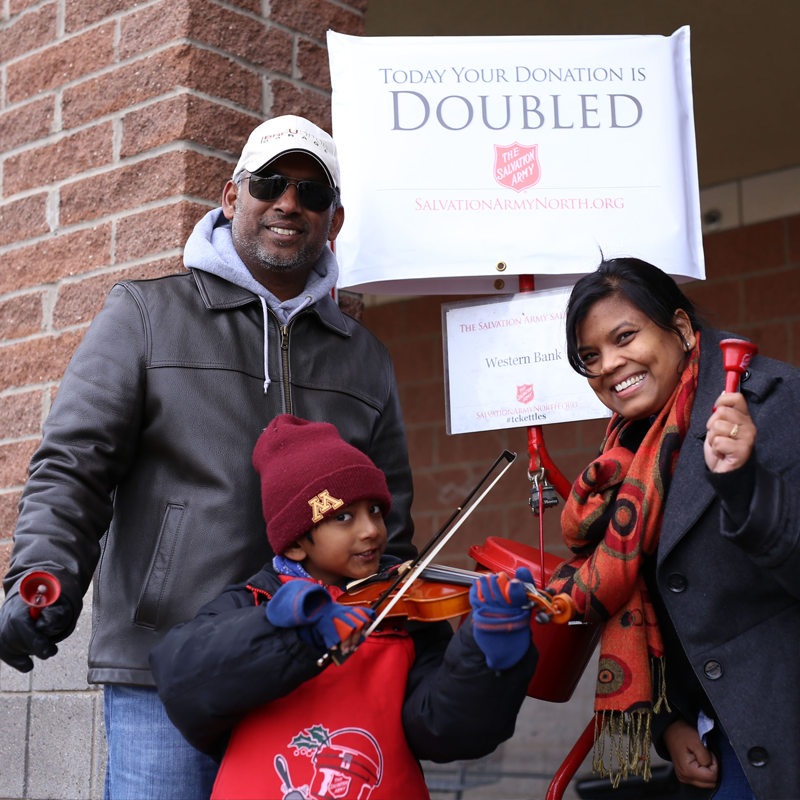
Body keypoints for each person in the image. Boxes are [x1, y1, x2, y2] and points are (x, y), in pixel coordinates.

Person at [0, 115, 416, 799]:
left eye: (312, 194)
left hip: (308, 665)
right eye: (270, 184)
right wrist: (42, 574)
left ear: (334, 220)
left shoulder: (365, 357)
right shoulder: (145, 313)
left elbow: (390, 523)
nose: (289, 203)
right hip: (167, 666)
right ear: (231, 197)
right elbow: (74, 465)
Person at [149, 414, 539, 799]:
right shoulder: (249, 602)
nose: (371, 529)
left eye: (375, 510)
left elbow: (444, 732)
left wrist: (485, 654)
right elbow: (182, 680)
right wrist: (287, 633)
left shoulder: (403, 610)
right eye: (344, 517)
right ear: (295, 543)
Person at [549, 257, 800, 799]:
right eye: (590, 356)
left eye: (624, 337)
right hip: (717, 737)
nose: (609, 365)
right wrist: (671, 722)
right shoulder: (627, 451)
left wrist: (746, 486)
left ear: (682, 329)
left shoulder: (775, 403)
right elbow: (658, 601)